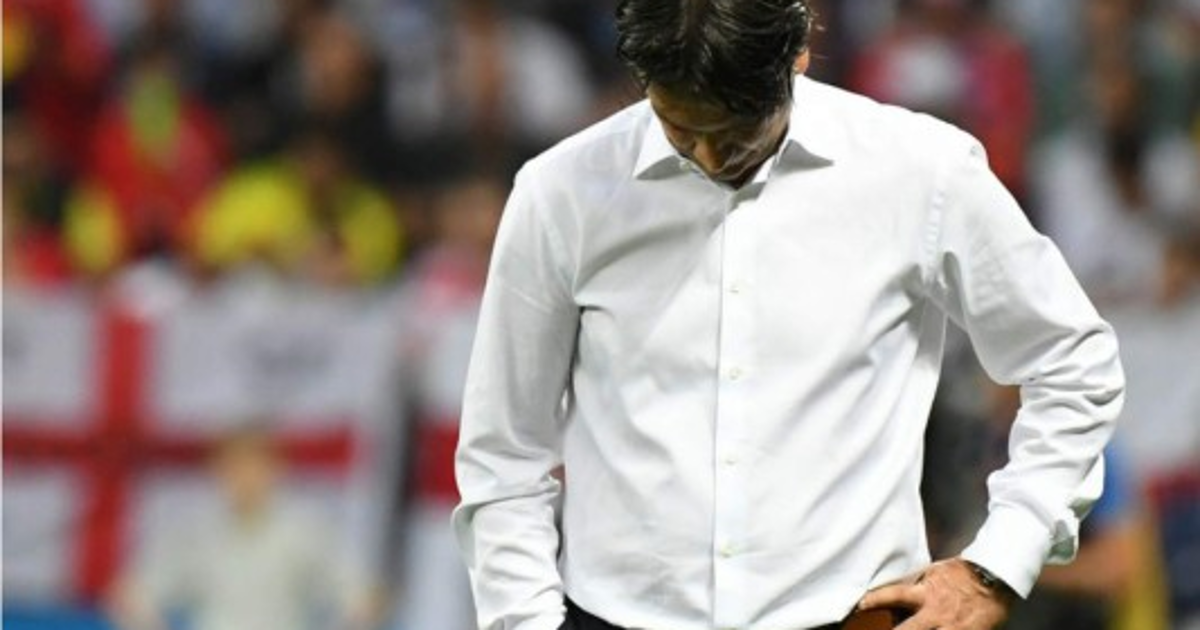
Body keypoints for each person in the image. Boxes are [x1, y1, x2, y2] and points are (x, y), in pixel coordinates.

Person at [453, 1, 1125, 629]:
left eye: (736, 130)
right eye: (681, 127)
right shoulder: (562, 193)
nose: (709, 157)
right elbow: (504, 457)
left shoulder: (922, 172)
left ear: (799, 54)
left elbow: (1073, 364)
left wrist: (996, 566)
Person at [107, 427, 377, 630]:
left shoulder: (306, 532)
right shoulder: (196, 535)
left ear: (276, 469)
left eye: (255, 466)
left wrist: (353, 615)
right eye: (234, 467)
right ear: (218, 471)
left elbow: (361, 598)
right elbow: (132, 596)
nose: (245, 477)